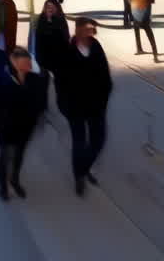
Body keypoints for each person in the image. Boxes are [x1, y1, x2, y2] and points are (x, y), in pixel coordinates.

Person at [39, 16, 112, 197]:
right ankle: (79, 176)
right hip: (75, 106)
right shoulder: (67, 51)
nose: (91, 32)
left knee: (98, 140)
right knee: (79, 142)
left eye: (92, 29)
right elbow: (60, 81)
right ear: (78, 30)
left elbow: (105, 75)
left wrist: (104, 98)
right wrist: (65, 103)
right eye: (88, 29)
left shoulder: (96, 47)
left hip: (96, 105)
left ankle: (84, 167)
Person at [0, 46, 49, 201]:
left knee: (19, 154)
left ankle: (14, 179)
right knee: (5, 155)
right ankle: (3, 187)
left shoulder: (35, 78)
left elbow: (41, 99)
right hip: (5, 127)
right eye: (23, 64)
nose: (27, 67)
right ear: (13, 62)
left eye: (28, 63)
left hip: (25, 127)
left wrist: (36, 116)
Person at [34, 0, 70, 72]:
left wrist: (51, 20)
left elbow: (65, 37)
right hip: (44, 56)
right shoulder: (41, 19)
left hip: (59, 57)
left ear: (57, 8)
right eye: (48, 7)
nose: (50, 9)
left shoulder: (61, 20)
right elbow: (39, 38)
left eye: (52, 7)